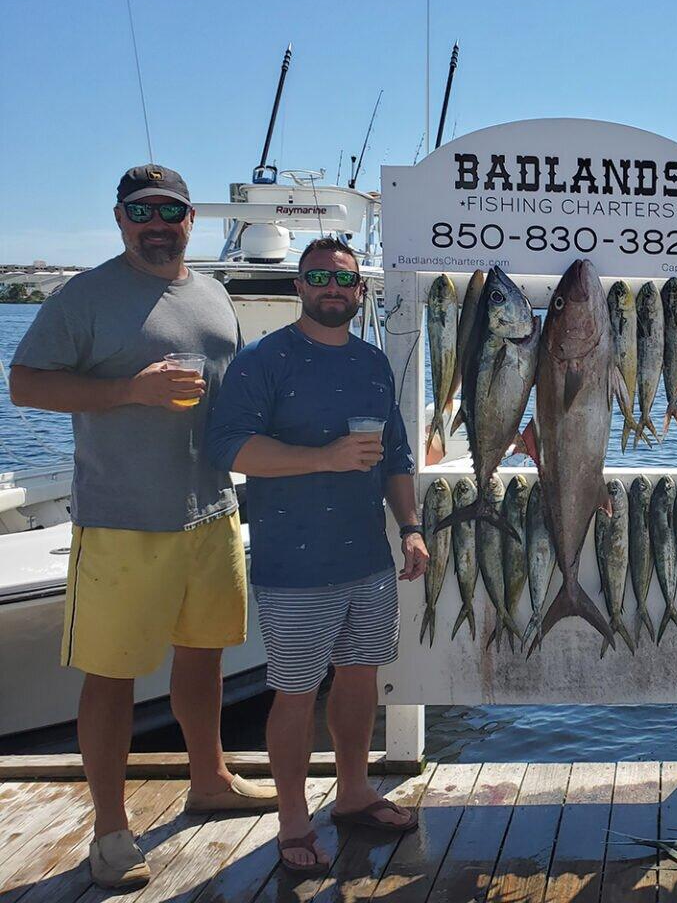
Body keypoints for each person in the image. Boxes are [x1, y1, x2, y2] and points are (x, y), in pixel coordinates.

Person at [8, 164, 276, 890]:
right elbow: (24, 383)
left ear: (192, 220)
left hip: (213, 511)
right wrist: (128, 390)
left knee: (204, 657)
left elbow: (235, 392)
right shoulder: (85, 295)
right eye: (140, 211)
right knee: (112, 675)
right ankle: (109, 830)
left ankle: (211, 778)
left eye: (171, 211)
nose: (156, 224)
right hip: (123, 520)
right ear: (120, 218)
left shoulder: (213, 294)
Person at [207, 237, 426, 874]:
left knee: (360, 679)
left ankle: (355, 793)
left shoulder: (373, 362)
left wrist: (410, 526)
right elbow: (229, 449)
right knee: (296, 691)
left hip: (367, 558)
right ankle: (294, 820)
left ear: (361, 291)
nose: (333, 288)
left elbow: (396, 456)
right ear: (298, 287)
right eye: (319, 277)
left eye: (345, 280)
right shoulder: (263, 360)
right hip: (293, 563)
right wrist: (323, 459)